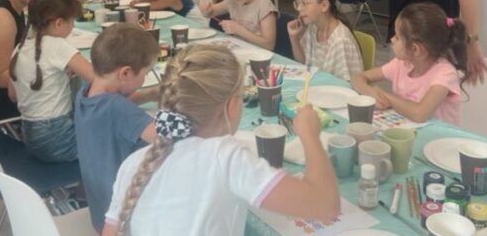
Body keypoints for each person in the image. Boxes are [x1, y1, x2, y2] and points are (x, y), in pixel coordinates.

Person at [102, 45, 340, 236]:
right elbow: (325, 206)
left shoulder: (134, 163)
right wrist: (310, 135)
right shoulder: (224, 155)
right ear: (232, 106)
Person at [75, 24, 159, 232]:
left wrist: (149, 94)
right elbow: (166, 139)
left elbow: (114, 107)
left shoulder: (85, 94)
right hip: (124, 221)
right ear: (126, 73)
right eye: (146, 73)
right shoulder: (117, 108)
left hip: (100, 212)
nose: (145, 79)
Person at [8, 0, 94, 162]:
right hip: (59, 137)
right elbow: (97, 78)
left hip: (31, 137)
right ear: (58, 23)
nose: (72, 27)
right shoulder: (57, 46)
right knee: (114, 136)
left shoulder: (19, 48)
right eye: (72, 22)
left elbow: (13, 95)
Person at [351, 3, 467, 125]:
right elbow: (358, 77)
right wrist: (368, 91)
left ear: (415, 49)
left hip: (438, 135)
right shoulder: (402, 64)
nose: (392, 39)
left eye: (397, 37)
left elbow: (420, 114)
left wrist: (385, 97)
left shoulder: (445, 73)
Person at [287, 0, 363, 80]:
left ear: (324, 5)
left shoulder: (340, 41)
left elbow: (346, 85)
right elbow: (303, 63)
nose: (299, 8)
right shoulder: (313, 27)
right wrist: (294, 37)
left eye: (304, 3)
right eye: (298, 3)